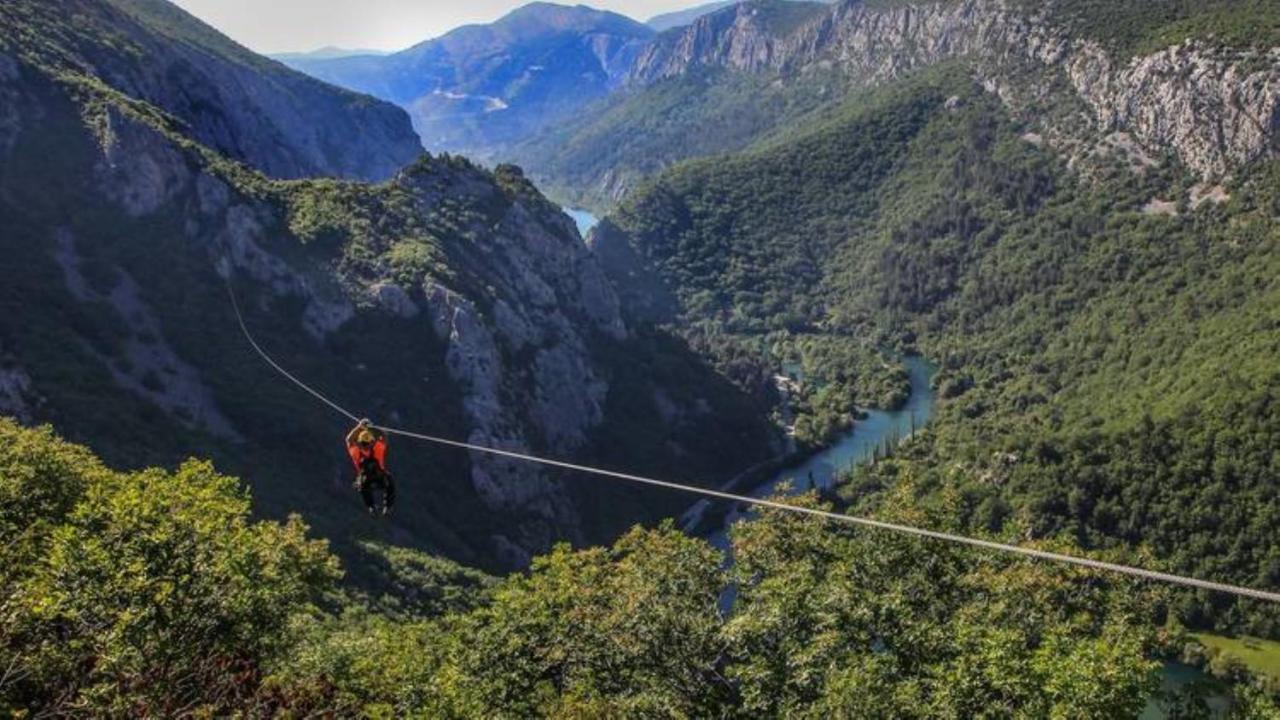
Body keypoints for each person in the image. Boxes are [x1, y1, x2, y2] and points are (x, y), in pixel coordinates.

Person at [345, 419, 395, 516]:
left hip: (366, 480)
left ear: (359, 442)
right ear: (372, 441)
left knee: (363, 486)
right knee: (390, 483)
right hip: (380, 477)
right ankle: (388, 507)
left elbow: (349, 440)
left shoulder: (356, 452)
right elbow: (384, 435)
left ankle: (371, 507)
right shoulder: (377, 448)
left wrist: (359, 427)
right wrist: (371, 428)